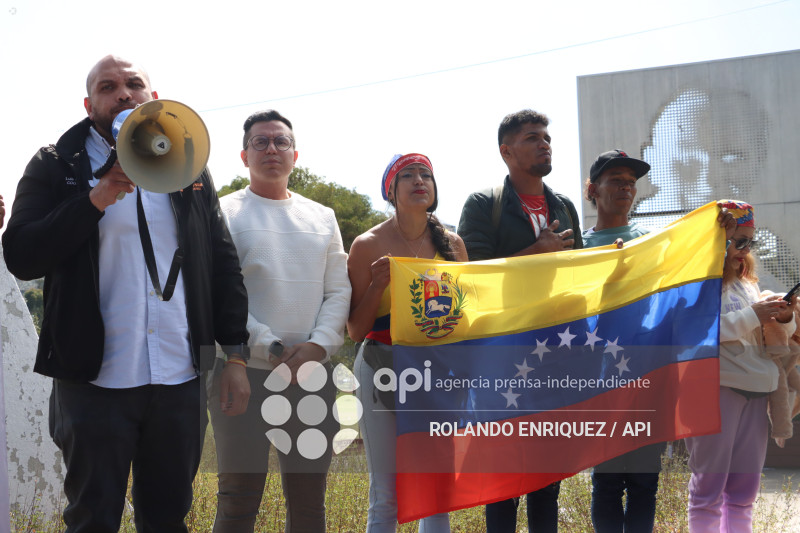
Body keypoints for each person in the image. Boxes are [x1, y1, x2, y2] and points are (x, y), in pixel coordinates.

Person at [1, 55, 250, 532]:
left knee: (166, 518)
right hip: (95, 380)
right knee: (92, 518)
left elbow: (221, 261)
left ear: (153, 98)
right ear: (89, 103)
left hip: (178, 375)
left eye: (134, 84)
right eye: (107, 86)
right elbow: (21, 254)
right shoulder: (56, 164)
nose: (123, 94)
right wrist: (96, 198)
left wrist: (235, 355)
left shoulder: (187, 163)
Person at [209, 110, 351, 532]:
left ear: (295, 155)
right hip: (242, 374)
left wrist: (316, 347)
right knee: (237, 502)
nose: (271, 149)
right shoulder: (223, 213)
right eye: (260, 142)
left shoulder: (322, 217)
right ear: (243, 154)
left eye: (280, 142)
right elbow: (219, 293)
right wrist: (270, 346)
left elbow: (338, 290)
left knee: (308, 507)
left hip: (312, 376)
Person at [457, 109, 581, 533]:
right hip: (502, 356)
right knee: (504, 476)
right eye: (532, 138)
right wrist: (536, 251)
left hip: (556, 356)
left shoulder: (564, 206)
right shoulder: (483, 204)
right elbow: (470, 275)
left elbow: (577, 276)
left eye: (547, 137)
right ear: (506, 151)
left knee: (547, 478)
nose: (545, 143)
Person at [348, 153, 467, 532]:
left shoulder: (453, 244)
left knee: (434, 490)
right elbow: (354, 329)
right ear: (391, 190)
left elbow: (465, 319)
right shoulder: (367, 244)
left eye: (426, 175)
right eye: (409, 175)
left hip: (437, 372)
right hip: (380, 367)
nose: (420, 181)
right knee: (386, 491)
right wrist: (379, 285)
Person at [684, 200, 796, 532]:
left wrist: (785, 318)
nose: (744, 250)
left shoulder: (748, 284)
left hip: (757, 390)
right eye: (737, 240)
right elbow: (696, 332)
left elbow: (768, 337)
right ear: (715, 241)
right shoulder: (695, 283)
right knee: (707, 491)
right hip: (714, 390)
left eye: (750, 242)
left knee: (744, 493)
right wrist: (753, 315)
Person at [582, 149, 665, 532]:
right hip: (598, 381)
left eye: (631, 182)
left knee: (646, 482)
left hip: (650, 375)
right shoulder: (573, 249)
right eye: (616, 179)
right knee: (609, 481)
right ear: (592, 189)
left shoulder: (655, 243)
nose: (626, 188)